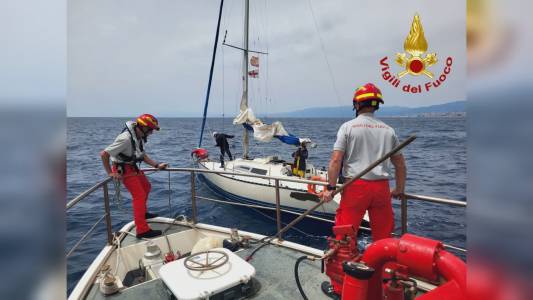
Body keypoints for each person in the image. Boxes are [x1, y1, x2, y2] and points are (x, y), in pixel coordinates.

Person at [320, 83, 407, 298]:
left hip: (355, 187)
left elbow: (335, 160)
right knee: (384, 239)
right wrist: (399, 188)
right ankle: (385, 287)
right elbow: (400, 164)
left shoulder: (348, 127)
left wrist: (330, 188)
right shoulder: (388, 130)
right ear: (376, 104)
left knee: (344, 238)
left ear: (357, 104)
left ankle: (342, 289)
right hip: (381, 189)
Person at [100, 114, 169, 239]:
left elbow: (142, 155)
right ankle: (142, 230)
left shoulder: (138, 136)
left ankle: (142, 213)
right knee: (139, 196)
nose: (151, 133)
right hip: (123, 169)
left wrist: (157, 165)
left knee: (146, 187)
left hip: (132, 167)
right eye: (150, 129)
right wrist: (110, 173)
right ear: (142, 127)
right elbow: (104, 154)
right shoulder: (126, 138)